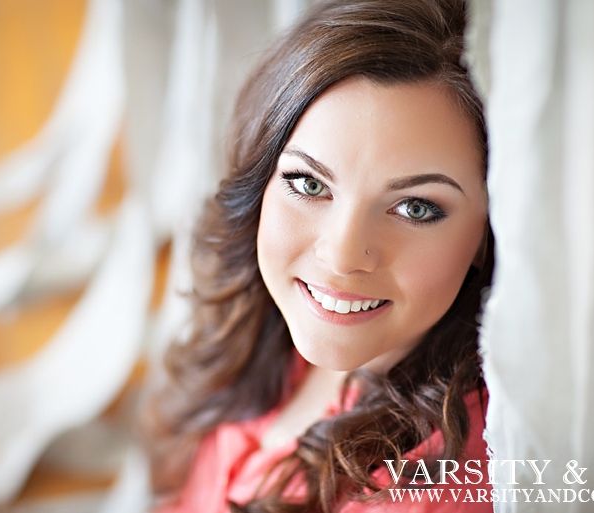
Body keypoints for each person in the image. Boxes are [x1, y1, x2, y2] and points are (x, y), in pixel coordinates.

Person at [142, 0, 495, 511]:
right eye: (309, 183)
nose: (342, 255)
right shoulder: (257, 327)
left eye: (415, 207)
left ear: (485, 234)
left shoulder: (433, 490)